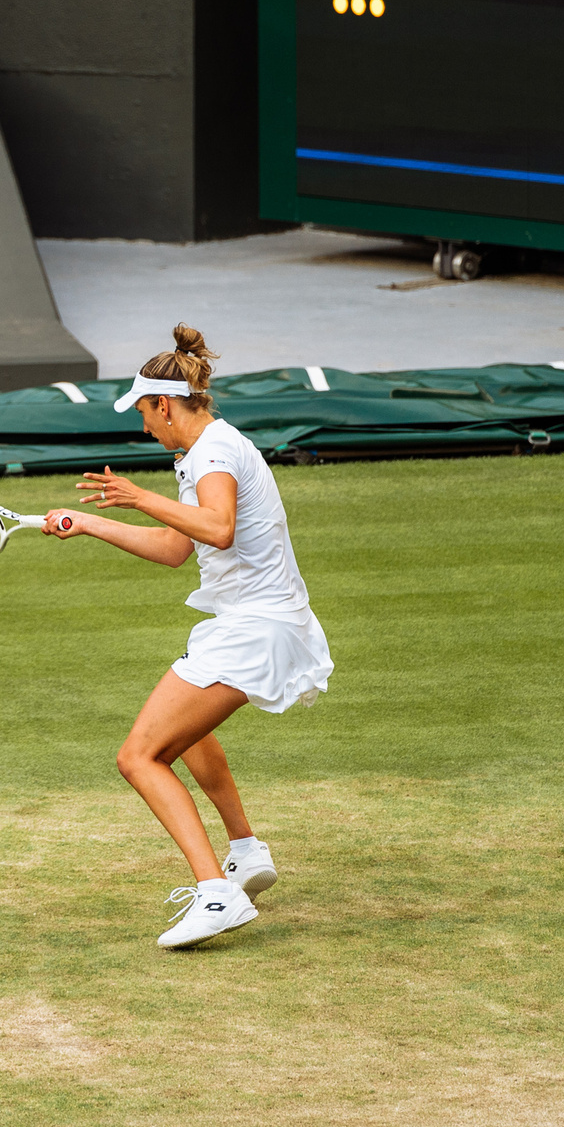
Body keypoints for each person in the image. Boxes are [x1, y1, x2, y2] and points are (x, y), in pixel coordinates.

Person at [46, 325, 335, 951]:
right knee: (191, 733)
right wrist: (94, 523)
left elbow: (220, 527)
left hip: (256, 630)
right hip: (251, 625)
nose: (144, 427)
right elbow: (180, 548)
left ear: (166, 405)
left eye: (145, 414)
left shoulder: (210, 454)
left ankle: (216, 894)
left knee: (138, 757)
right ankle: (246, 852)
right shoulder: (202, 452)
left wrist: (137, 496)